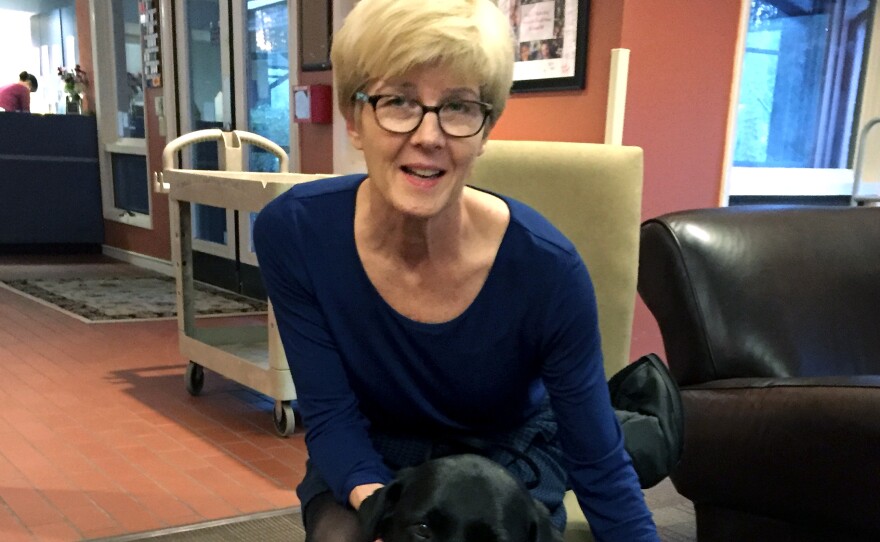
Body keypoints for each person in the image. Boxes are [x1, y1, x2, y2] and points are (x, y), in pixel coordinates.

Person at [253, 1, 659, 540]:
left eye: (459, 107)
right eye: (397, 101)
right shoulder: (294, 233)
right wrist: (393, 512)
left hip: (504, 452)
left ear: (485, 129)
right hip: (371, 444)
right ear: (355, 120)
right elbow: (330, 417)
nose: (429, 135)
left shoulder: (548, 272)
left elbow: (599, 465)